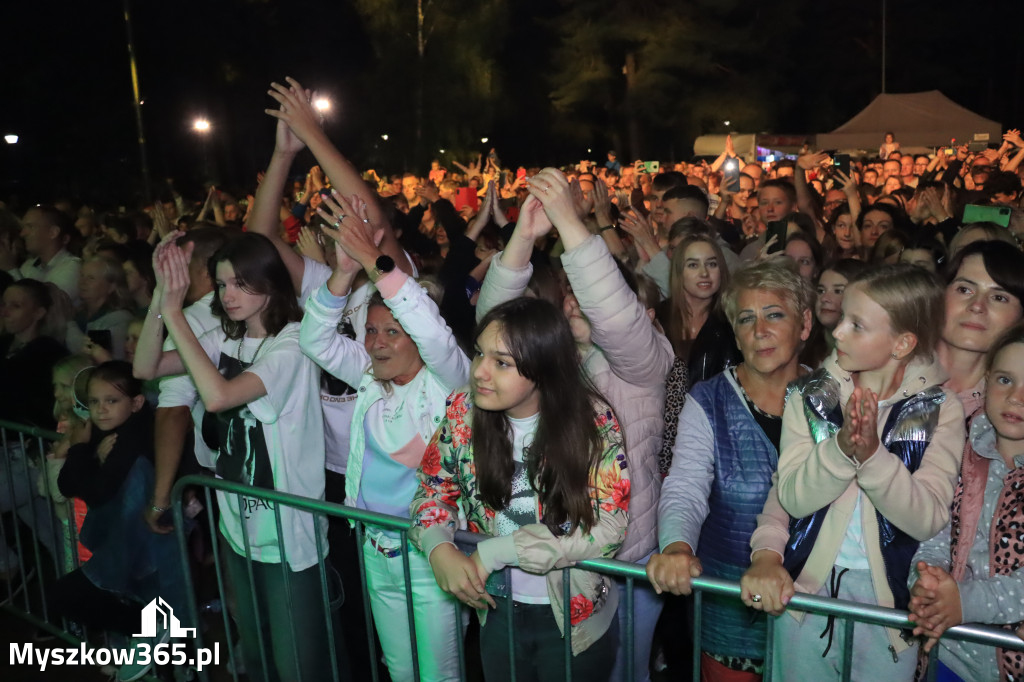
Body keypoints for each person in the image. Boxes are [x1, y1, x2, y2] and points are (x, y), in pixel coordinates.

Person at [476, 167, 673, 682]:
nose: (576, 301)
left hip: (623, 561)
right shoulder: (550, 367)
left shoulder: (644, 365)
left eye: (589, 293)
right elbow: (496, 323)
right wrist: (523, 234)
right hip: (547, 559)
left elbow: (619, 319)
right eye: (569, 294)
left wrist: (570, 220)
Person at [746, 264, 966, 681]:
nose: (838, 332)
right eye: (842, 317)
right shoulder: (811, 397)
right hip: (804, 599)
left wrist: (872, 457)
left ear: (901, 342)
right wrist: (842, 449)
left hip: (886, 612)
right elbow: (791, 496)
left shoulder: (937, 410)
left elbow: (929, 516)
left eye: (856, 325)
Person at [133, 231, 331, 682]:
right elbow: (145, 367)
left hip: (288, 533)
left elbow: (219, 397)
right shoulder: (228, 337)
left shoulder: (293, 343)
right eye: (222, 285)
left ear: (270, 282)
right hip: (238, 524)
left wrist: (174, 316)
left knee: (298, 663)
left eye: (241, 283)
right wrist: (163, 299)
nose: (228, 295)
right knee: (257, 656)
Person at [410, 296, 630, 682]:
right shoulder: (464, 412)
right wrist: (438, 547)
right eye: (480, 354)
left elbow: (610, 527)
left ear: (543, 370)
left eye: (502, 363)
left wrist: (498, 551)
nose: (480, 371)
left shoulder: (591, 422)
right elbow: (432, 489)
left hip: (572, 616)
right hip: (496, 609)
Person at [299, 192, 470, 682]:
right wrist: (343, 271)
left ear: (416, 336)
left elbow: (435, 336)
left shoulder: (450, 386)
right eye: (371, 331)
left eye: (392, 332)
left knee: (440, 675)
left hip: (434, 553)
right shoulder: (371, 380)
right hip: (377, 550)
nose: (376, 343)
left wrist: (379, 265)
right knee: (399, 669)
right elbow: (315, 339)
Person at [649, 260, 814, 681]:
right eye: (746, 318)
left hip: (817, 618)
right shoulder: (710, 399)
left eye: (774, 314)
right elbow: (685, 485)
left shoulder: (832, 397)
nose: (760, 330)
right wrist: (677, 549)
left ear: (805, 324)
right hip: (731, 616)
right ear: (735, 334)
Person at [908, 322, 1024, 682]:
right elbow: (938, 526)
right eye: (1006, 380)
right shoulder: (962, 446)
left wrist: (965, 601)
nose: (1017, 397)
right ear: (987, 381)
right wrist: (928, 577)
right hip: (950, 653)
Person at [49, 361, 176, 681]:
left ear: (135, 403)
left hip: (149, 542)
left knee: (70, 595)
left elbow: (97, 492)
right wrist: (87, 452)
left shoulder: (136, 433)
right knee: (73, 597)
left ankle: (156, 632)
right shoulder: (106, 431)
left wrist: (83, 455)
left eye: (111, 400)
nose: (101, 410)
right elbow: (67, 485)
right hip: (126, 544)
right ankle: (152, 632)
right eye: (94, 402)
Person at [937, 241, 1024, 418]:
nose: (977, 306)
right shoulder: (887, 369)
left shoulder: (1015, 405)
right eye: (964, 290)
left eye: (999, 297)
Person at [0, 278, 69, 429]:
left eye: (15, 306)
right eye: (3, 304)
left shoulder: (49, 353)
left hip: (28, 441)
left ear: (38, 313)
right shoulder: (4, 344)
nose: (5, 312)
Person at [67, 255, 134, 360]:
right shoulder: (77, 314)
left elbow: (112, 362)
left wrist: (70, 327)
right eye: (82, 275)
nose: (82, 282)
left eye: (91, 278)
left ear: (111, 286)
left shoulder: (120, 319)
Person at [17, 205, 81, 301]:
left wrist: (10, 268)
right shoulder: (29, 265)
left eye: (30, 227)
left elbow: (42, 308)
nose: (23, 233)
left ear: (53, 233)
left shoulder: (72, 268)